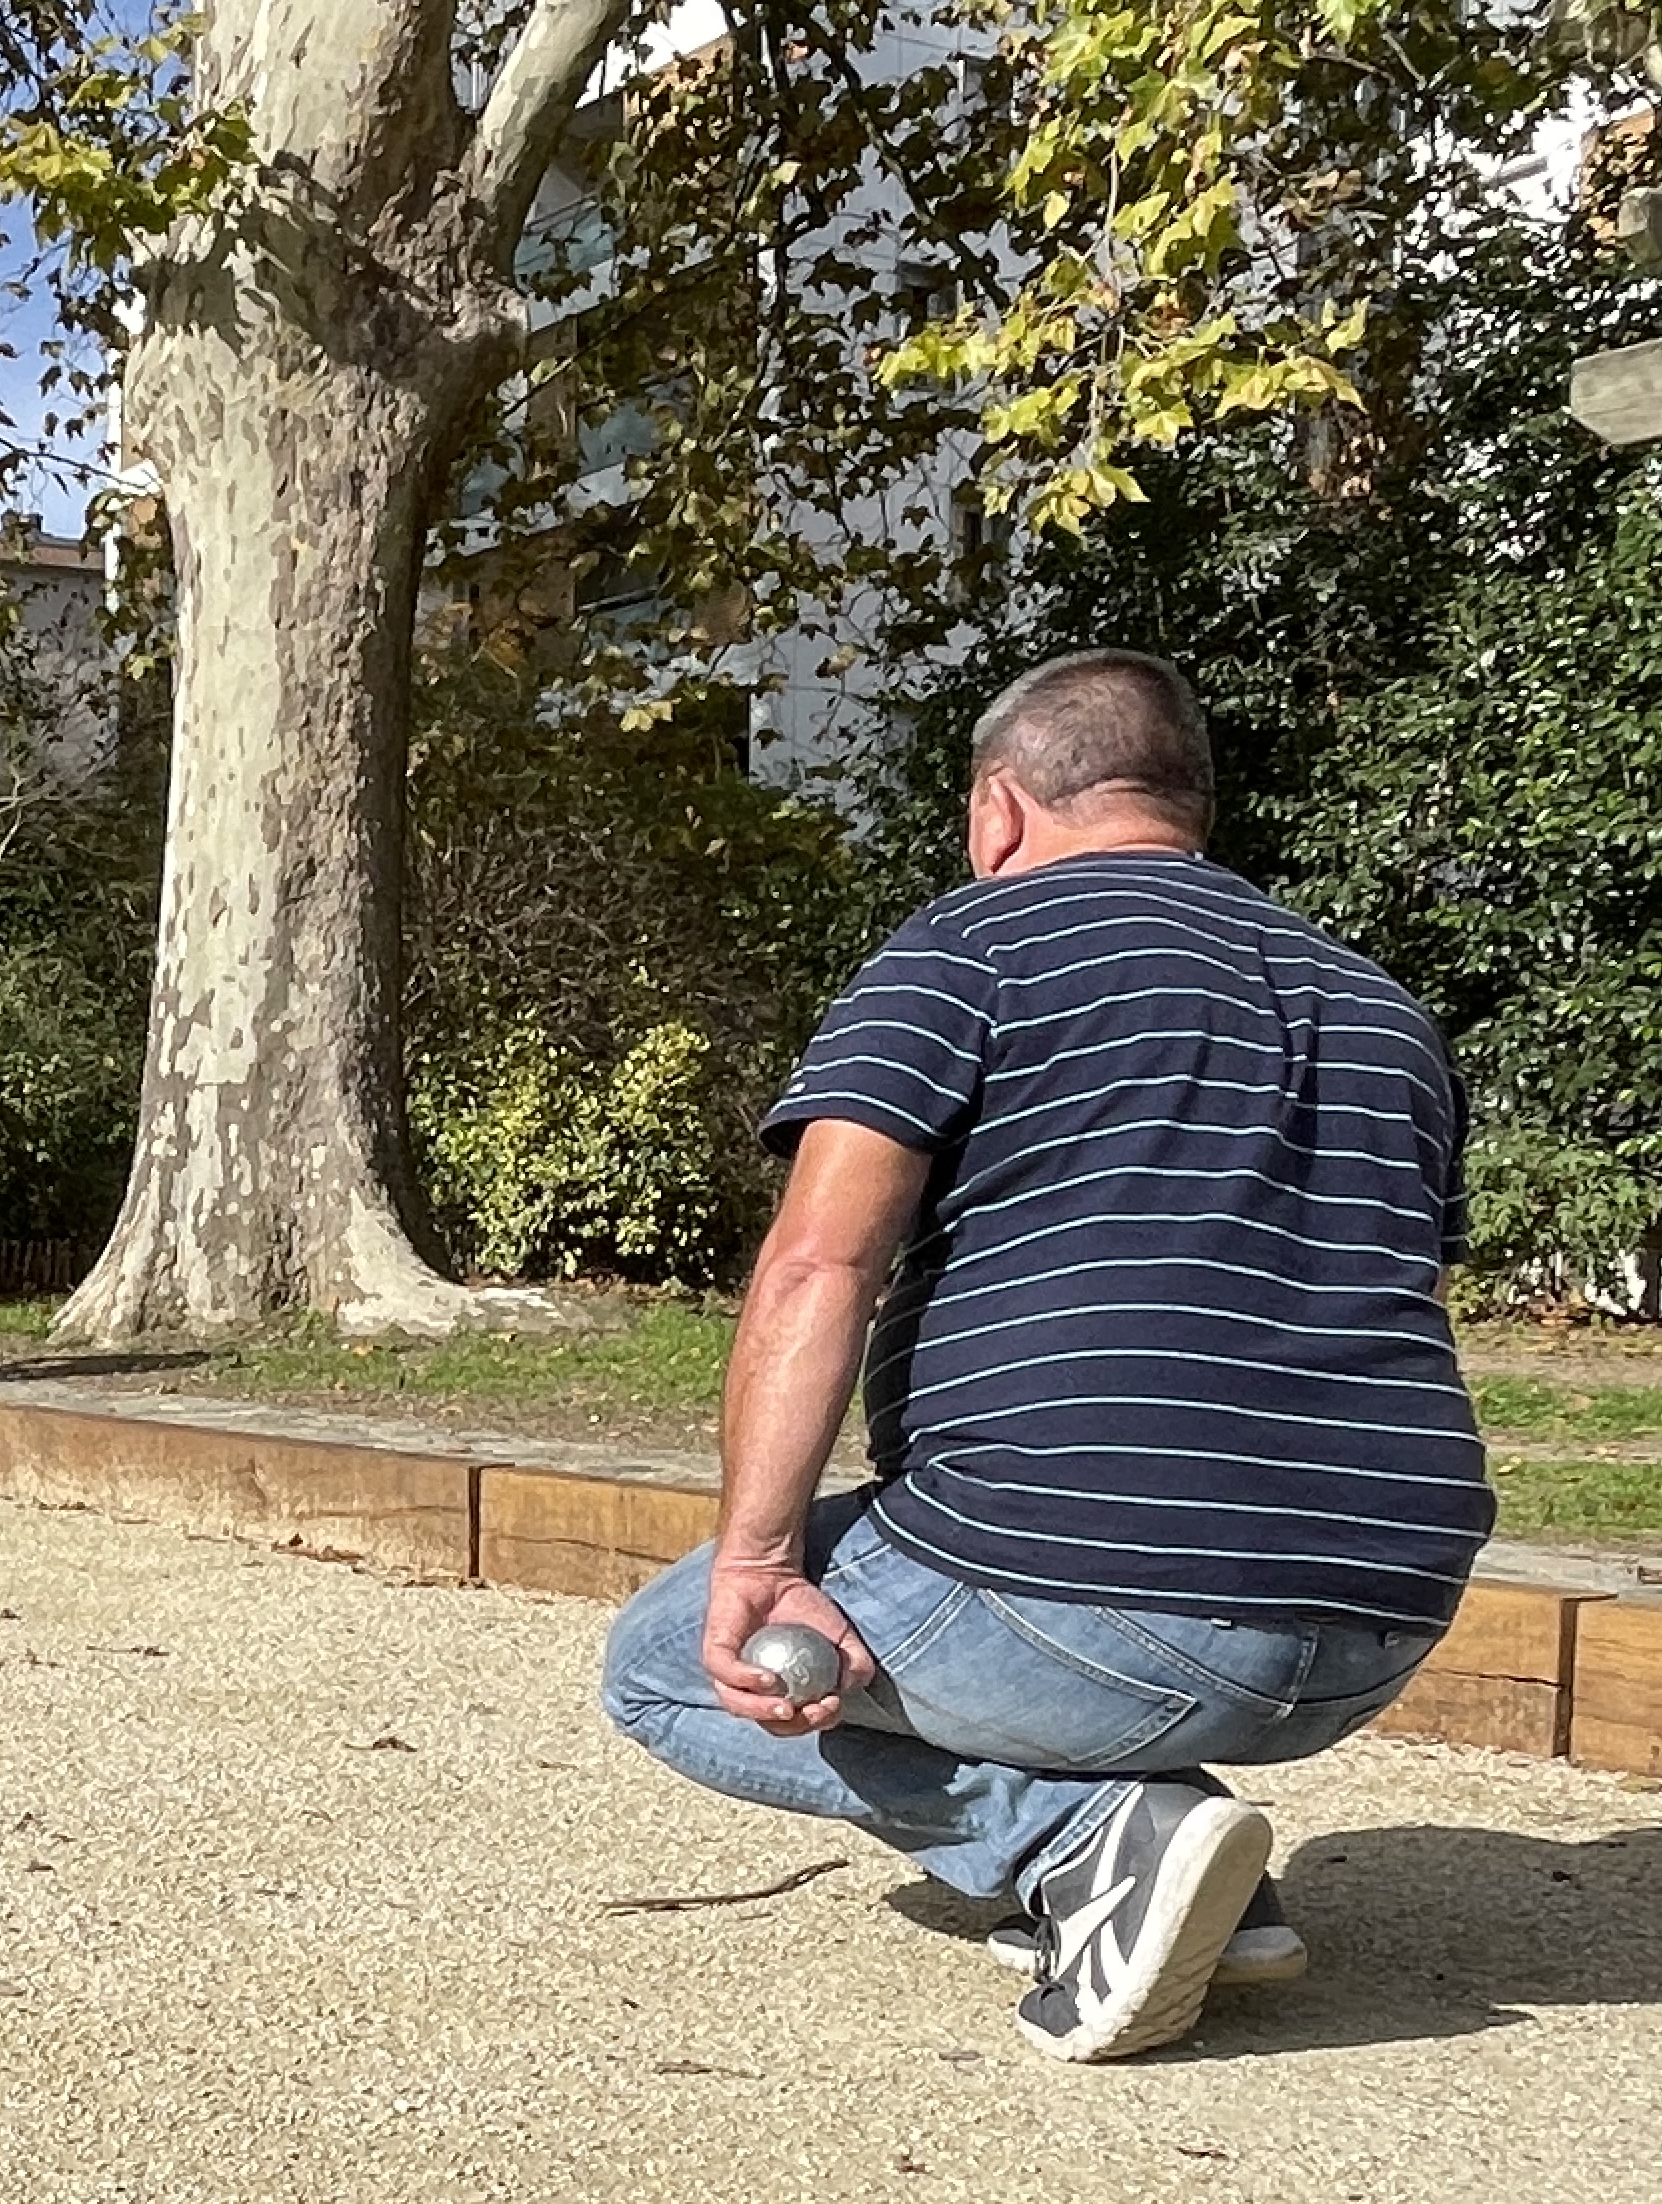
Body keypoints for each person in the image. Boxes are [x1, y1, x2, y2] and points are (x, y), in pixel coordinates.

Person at [599, 650, 1492, 2065]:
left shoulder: (973, 947)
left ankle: (1084, 1835)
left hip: (1092, 1590)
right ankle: (1213, 1877)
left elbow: (819, 1262)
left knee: (660, 1659)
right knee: (1076, 1580)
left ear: (998, 811)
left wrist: (762, 1563)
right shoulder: (1382, 1009)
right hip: (1385, 1611)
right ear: (1186, 803)